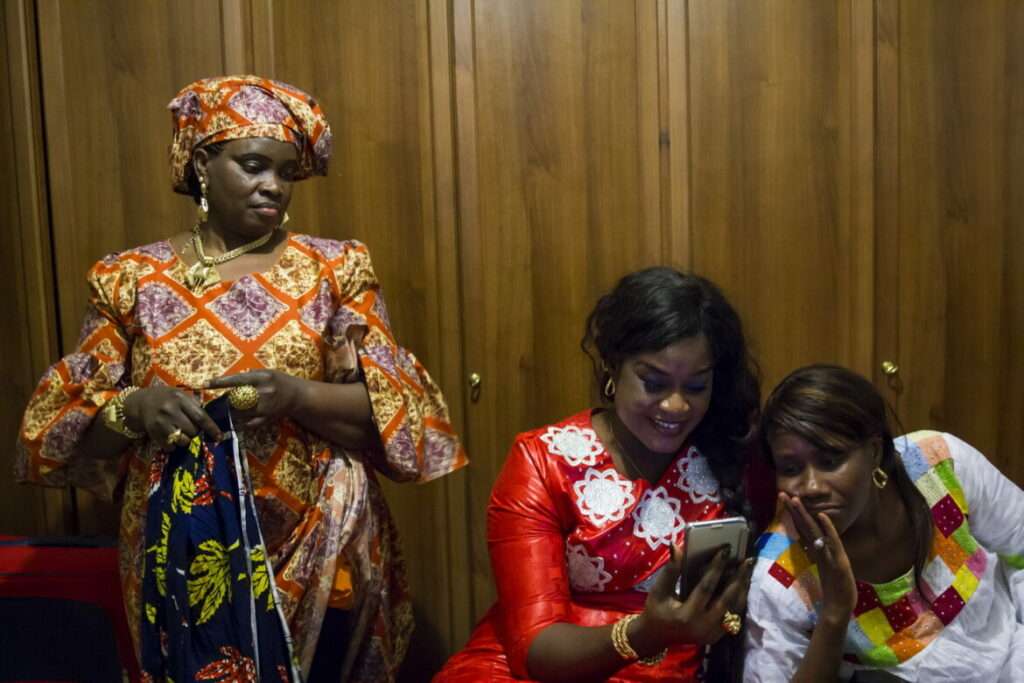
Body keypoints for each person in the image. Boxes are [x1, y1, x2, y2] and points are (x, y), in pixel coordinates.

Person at [15, 75, 466, 682]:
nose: (273, 185)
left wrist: (294, 394)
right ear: (203, 164)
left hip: (317, 543)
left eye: (286, 172)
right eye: (254, 166)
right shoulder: (131, 279)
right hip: (182, 548)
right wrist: (135, 408)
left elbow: (392, 409)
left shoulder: (335, 268)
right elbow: (66, 432)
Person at [436, 267, 761, 682]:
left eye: (696, 387)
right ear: (612, 365)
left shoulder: (725, 454)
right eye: (654, 383)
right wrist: (645, 633)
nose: (676, 406)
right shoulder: (544, 460)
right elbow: (534, 650)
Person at [744, 364, 1024, 682]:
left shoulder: (937, 467)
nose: (811, 487)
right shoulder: (781, 575)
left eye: (830, 461)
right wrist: (835, 613)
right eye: (790, 469)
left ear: (875, 452)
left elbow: (1020, 542)